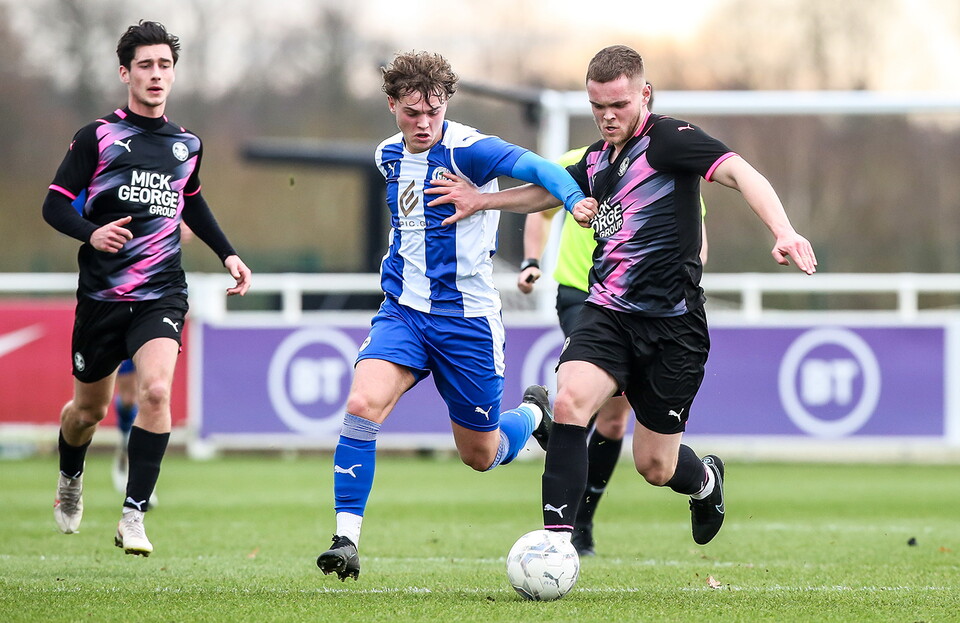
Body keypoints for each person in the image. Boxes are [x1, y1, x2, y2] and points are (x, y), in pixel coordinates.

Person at [427, 44, 817, 549]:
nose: (608, 117)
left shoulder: (670, 140)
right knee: (569, 402)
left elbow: (742, 172)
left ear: (644, 95)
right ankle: (557, 543)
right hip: (606, 314)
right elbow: (546, 193)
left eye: (619, 105)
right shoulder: (595, 160)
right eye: (598, 107)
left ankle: (706, 483)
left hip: (674, 328)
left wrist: (783, 230)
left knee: (655, 465)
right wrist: (483, 200)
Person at [315, 50, 595, 582]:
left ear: (446, 105)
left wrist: (574, 199)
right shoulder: (386, 156)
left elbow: (540, 169)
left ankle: (534, 415)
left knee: (480, 455)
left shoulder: (470, 149)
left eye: (434, 111)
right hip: (403, 313)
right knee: (361, 403)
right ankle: (345, 540)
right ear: (392, 105)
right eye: (411, 112)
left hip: (467, 323)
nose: (423, 123)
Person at [44, 20, 251, 556]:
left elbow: (194, 201)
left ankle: (133, 514)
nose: (156, 75)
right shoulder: (98, 137)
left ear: (173, 73)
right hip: (101, 298)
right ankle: (71, 475)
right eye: (145, 66)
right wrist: (92, 232)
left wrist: (227, 252)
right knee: (85, 413)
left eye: (164, 65)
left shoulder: (186, 144)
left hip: (161, 292)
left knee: (158, 392)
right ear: (125, 73)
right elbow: (54, 204)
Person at [517, 142, 708, 557]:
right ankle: (566, 525)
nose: (609, 115)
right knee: (594, 394)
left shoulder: (670, 171)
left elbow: (695, 239)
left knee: (619, 421)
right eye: (600, 106)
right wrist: (531, 260)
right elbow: (540, 209)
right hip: (582, 294)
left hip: (644, 305)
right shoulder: (576, 163)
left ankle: (581, 511)